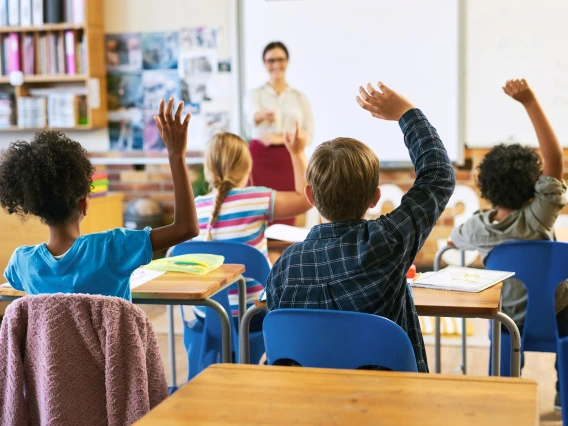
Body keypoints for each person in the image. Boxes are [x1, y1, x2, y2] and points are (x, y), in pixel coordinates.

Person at [266, 82, 456, 372]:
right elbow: (438, 175)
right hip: (389, 405)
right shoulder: (387, 243)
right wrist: (407, 113)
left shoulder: (285, 266)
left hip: (308, 405)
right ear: (375, 198)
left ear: (310, 197)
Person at [1, 98, 200, 301]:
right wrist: (176, 156)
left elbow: (13, 280)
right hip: (113, 335)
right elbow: (187, 228)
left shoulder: (23, 262)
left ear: (36, 208)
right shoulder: (112, 249)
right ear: (83, 203)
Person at [450, 79, 568, 410]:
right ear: (535, 189)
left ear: (486, 187)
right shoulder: (537, 217)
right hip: (557, 315)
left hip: (507, 320)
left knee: (501, 330)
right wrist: (529, 101)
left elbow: (452, 240)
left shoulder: (477, 228)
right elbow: (555, 160)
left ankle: (506, 389)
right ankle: (564, 390)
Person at [192, 125, 312, 330]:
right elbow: (306, 199)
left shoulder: (195, 208)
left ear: (208, 170)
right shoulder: (256, 199)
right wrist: (297, 152)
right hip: (252, 314)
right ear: (248, 168)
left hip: (206, 314)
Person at [244, 41, 314, 225]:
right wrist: (260, 116)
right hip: (260, 159)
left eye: (281, 59)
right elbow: (250, 120)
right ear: (264, 63)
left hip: (290, 158)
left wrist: (278, 138)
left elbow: (309, 134)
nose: (276, 65)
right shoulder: (255, 94)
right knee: (257, 210)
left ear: (287, 61)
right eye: (271, 60)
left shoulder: (299, 97)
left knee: (290, 210)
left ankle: (284, 253)